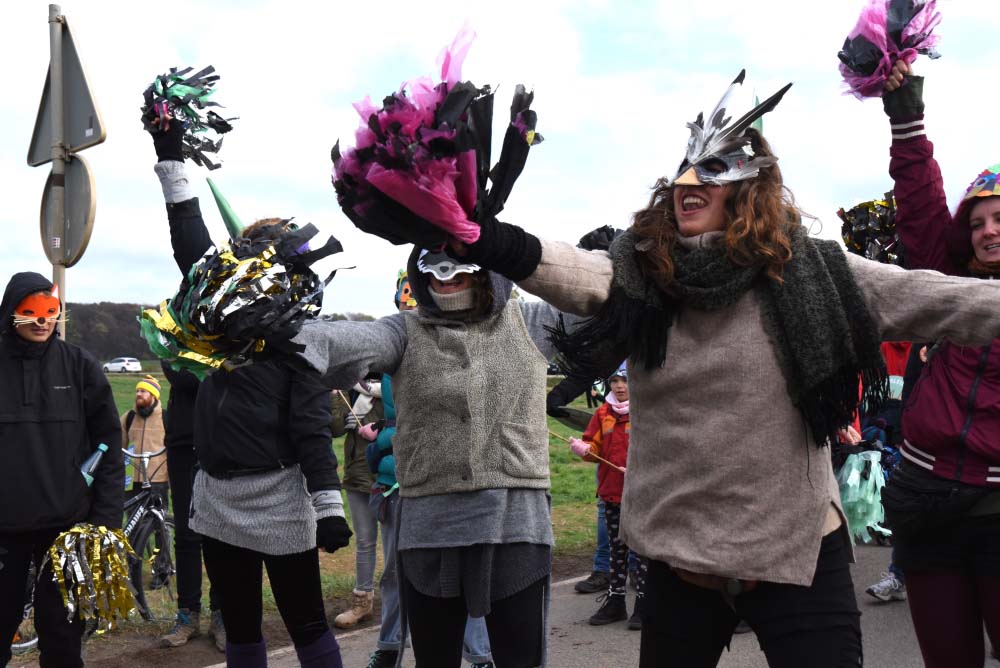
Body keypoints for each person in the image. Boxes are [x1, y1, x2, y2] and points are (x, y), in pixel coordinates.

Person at [437, 70, 1000, 667]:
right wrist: (488, 240)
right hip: (681, 563)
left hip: (796, 552)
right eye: (683, 170)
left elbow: (939, 298)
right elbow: (576, 271)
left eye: (710, 170)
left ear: (749, 187)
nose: (687, 183)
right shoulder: (640, 272)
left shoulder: (816, 272)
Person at [295, 248, 566, 668]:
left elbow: (603, 309)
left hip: (514, 521)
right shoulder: (404, 330)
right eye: (434, 258)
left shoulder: (528, 321)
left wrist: (530, 254)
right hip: (430, 525)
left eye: (458, 258)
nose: (445, 272)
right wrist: (282, 328)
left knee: (520, 660)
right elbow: (347, 342)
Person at [148, 114, 351, 667]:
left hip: (281, 501)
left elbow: (312, 431)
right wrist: (170, 153)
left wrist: (328, 508)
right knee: (239, 625)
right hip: (218, 500)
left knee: (306, 623)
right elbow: (191, 248)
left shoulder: (299, 344)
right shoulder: (220, 330)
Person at [874, 59, 1000, 668]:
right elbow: (922, 211)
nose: (988, 231)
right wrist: (906, 118)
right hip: (927, 506)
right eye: (977, 223)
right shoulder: (950, 288)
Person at [357, 270, 493, 668]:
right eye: (405, 307)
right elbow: (400, 420)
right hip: (396, 484)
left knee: (468, 572)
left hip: (451, 481)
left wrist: (383, 439)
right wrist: (382, 442)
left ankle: (479, 654)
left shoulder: (462, 351)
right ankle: (389, 646)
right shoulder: (392, 356)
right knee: (395, 573)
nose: (412, 318)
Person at [0, 274, 123, 668]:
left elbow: (108, 445)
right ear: (11, 313)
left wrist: (105, 521)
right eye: (30, 312)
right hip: (5, 528)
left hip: (67, 528)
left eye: (50, 312)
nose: (42, 321)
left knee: (63, 637)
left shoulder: (80, 366)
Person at [568, 363, 648, 630]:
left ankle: (644, 605)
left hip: (641, 495)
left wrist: (638, 467)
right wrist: (584, 449)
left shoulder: (645, 410)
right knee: (617, 551)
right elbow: (594, 449)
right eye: (614, 381)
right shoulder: (603, 413)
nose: (620, 386)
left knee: (642, 552)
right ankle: (615, 602)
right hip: (612, 494)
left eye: (624, 380)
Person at [158, 360, 225, 650]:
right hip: (183, 443)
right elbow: (178, 375)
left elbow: (229, 373)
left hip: (220, 437)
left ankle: (221, 614)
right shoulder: (170, 335)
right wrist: (213, 370)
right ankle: (188, 615)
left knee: (221, 533)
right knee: (186, 534)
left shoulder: (223, 334)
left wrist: (213, 370)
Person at [330, 379, 383, 630]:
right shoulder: (349, 388)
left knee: (397, 544)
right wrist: (333, 394)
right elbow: (335, 428)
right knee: (364, 540)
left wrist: (383, 429)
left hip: (390, 475)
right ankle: (363, 601)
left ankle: (400, 602)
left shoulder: (393, 383)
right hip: (357, 473)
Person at [122, 375, 169, 506]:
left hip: (157, 479)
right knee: (132, 515)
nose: (138, 394)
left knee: (155, 515)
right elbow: (119, 445)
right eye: (137, 391)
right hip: (131, 479)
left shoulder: (165, 417)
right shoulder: (129, 417)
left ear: (153, 395)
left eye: (143, 391)